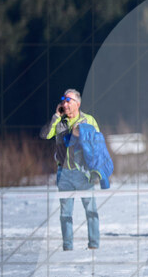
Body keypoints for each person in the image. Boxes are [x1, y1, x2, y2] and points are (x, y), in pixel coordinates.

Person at [40, 89, 112, 250]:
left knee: (91, 210)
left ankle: (94, 245)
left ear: (77, 104)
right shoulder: (60, 122)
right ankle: (67, 247)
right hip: (63, 173)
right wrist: (56, 116)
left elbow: (97, 146)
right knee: (65, 213)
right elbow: (45, 135)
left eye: (68, 100)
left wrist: (98, 171)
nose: (65, 103)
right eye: (63, 100)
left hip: (84, 174)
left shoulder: (88, 120)